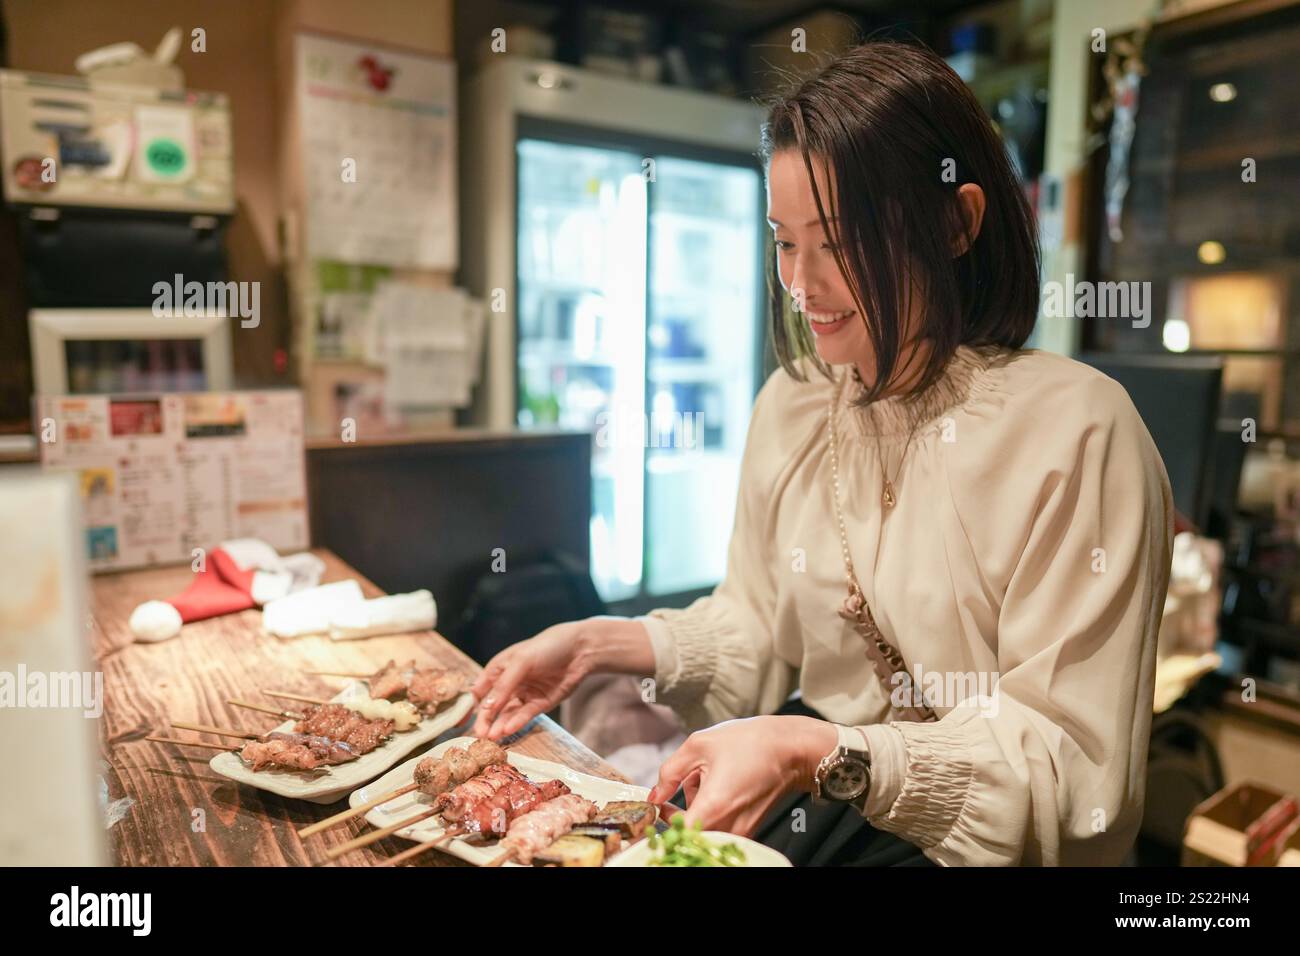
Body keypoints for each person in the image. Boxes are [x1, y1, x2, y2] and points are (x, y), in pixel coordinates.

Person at [471, 40, 1174, 866]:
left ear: (957, 221)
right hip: (842, 806)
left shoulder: (1077, 430)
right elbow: (758, 626)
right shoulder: (797, 403)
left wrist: (823, 753)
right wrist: (599, 643)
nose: (801, 285)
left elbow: (1070, 773)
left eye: (836, 241)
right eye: (783, 241)